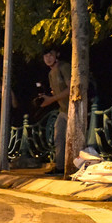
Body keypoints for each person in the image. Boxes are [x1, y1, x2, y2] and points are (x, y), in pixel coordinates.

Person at [39, 47, 73, 175]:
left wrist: (51, 100)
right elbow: (56, 92)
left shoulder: (64, 67)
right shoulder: (50, 73)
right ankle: (60, 167)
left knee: (73, 139)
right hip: (63, 110)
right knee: (58, 138)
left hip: (73, 109)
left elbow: (71, 89)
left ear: (57, 55)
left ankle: (75, 166)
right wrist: (46, 98)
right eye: (45, 56)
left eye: (50, 55)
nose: (48, 58)